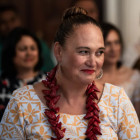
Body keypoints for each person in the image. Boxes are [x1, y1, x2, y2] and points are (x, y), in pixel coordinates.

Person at [0, 7, 140, 140]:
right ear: (59, 52)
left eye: (99, 52)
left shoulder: (117, 100)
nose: (93, 62)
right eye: (83, 51)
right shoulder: (22, 102)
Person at [0, 27, 47, 121]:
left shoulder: (51, 81)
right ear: (11, 53)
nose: (29, 53)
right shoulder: (1, 84)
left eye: (33, 48)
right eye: (23, 49)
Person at [98, 22, 140, 120]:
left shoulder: (134, 76)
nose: (113, 49)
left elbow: (138, 119)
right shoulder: (90, 77)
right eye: (108, 43)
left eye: (117, 42)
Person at [0, 4, 54, 73]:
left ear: (20, 20)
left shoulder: (38, 43)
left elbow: (50, 71)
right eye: (3, 22)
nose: (9, 25)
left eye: (12, 20)